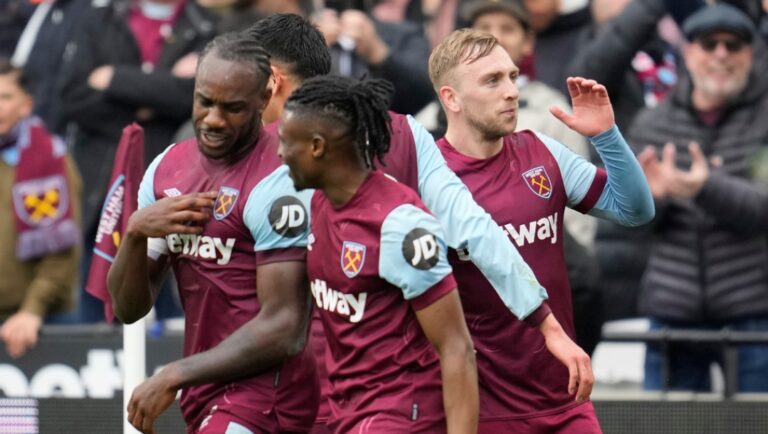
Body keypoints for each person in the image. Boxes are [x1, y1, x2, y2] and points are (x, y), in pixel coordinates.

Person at [246, 14, 595, 432]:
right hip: (329, 400)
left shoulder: (396, 201)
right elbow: (478, 232)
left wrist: (546, 323)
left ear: (272, 79)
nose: (283, 153)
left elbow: (475, 237)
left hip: (390, 406)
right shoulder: (283, 184)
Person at [428, 28, 655, 432]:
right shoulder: (430, 182)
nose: (511, 91)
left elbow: (635, 209)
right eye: (492, 81)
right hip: (482, 409)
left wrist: (607, 135)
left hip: (565, 401)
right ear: (451, 98)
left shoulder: (542, 152)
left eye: (512, 76)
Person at [107, 32, 318, 433]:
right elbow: (129, 308)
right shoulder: (167, 167)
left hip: (270, 392)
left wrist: (174, 374)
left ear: (265, 97)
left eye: (233, 108)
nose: (214, 119)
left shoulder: (280, 179)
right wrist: (135, 234)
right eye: (205, 101)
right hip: (208, 387)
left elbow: (285, 327)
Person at [278, 74, 478, 433]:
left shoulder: (401, 225)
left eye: (285, 143)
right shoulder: (320, 202)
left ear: (317, 146)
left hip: (402, 415)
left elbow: (456, 347)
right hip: (347, 412)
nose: (279, 154)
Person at [633, 3, 768, 392]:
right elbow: (630, 222)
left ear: (751, 53)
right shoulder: (651, 123)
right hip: (671, 311)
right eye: (709, 44)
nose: (721, 55)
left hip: (753, 312)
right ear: (688, 53)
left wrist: (704, 188)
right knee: (666, 427)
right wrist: (650, 199)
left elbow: (762, 208)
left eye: (733, 44)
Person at [58, 0, 217, 321]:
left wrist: (115, 79)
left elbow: (196, 98)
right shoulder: (99, 19)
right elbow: (73, 98)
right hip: (100, 187)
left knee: (167, 299)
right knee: (97, 294)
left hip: (173, 182)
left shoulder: (207, 25)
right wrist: (153, 102)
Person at [462, 0, 604, 354]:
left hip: (546, 267)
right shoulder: (437, 113)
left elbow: (579, 216)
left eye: (507, 29)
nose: (495, 37)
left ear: (528, 43)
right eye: (485, 29)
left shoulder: (553, 110)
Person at [0, 59, 81, 358]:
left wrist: (32, 311)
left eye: (6, 97)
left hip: (40, 320)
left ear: (25, 105)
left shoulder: (49, 159)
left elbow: (61, 252)